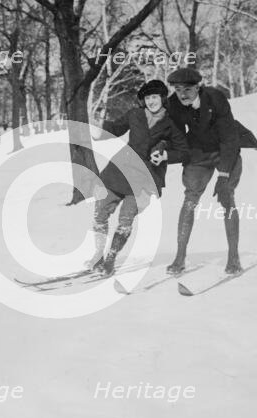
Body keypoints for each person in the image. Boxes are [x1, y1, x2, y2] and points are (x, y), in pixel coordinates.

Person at [89, 79, 189, 275]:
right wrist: (98, 127)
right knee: (100, 213)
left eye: (155, 97)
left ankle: (110, 260)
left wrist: (166, 155)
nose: (151, 101)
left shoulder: (172, 123)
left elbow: (184, 151)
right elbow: (115, 128)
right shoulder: (134, 114)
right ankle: (98, 254)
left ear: (162, 98)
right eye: (148, 97)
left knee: (125, 219)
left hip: (146, 177)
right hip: (119, 172)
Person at [164, 67, 243, 275]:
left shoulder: (215, 98)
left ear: (199, 87)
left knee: (226, 196)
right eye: (178, 89)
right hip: (199, 151)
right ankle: (179, 258)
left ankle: (234, 258)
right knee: (190, 198)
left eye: (187, 89)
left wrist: (224, 174)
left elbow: (229, 137)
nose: (182, 94)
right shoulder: (173, 103)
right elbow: (174, 135)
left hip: (226, 149)